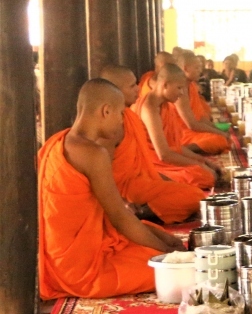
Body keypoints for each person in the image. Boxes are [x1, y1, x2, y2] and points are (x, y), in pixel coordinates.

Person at [38, 79, 184, 299]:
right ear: (106, 111)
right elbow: (119, 217)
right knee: (175, 272)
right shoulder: (92, 154)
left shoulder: (59, 142)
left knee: (157, 240)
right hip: (81, 270)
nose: (121, 123)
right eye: (120, 115)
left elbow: (112, 216)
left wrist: (160, 238)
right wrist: (166, 256)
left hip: (81, 249)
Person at [99, 66, 205, 225]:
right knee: (194, 196)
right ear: (114, 91)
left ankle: (143, 210)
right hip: (125, 191)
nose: (138, 89)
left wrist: (165, 182)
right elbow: (102, 175)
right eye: (132, 85)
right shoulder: (110, 127)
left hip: (142, 181)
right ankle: (138, 213)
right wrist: (121, 202)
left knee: (195, 194)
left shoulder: (129, 117)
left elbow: (142, 163)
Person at [134, 64, 219, 189]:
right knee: (203, 176)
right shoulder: (149, 109)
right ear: (165, 85)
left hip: (166, 160)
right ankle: (160, 182)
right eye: (179, 88)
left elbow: (175, 147)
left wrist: (202, 160)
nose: (182, 93)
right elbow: (164, 155)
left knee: (204, 171)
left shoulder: (165, 105)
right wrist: (199, 165)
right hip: (152, 165)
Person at [170, 51, 230, 155]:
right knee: (219, 140)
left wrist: (217, 130)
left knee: (220, 138)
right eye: (197, 68)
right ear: (186, 69)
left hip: (192, 131)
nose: (200, 71)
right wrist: (220, 133)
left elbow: (200, 117)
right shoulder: (180, 90)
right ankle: (182, 149)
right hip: (182, 134)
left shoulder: (191, 86)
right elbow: (191, 124)